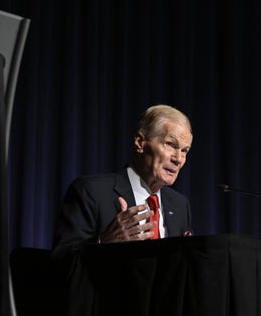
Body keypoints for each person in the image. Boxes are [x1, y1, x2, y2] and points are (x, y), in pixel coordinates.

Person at [51, 104, 194, 264]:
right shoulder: (90, 192)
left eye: (184, 151)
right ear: (140, 143)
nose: (178, 159)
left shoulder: (180, 205)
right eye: (170, 144)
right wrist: (103, 243)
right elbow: (60, 265)